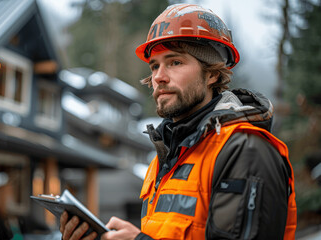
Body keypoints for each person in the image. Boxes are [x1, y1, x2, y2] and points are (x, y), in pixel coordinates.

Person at [60, 3, 297, 240]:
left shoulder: (246, 151)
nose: (159, 77)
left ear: (212, 73)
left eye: (175, 62)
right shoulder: (163, 159)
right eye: (154, 66)